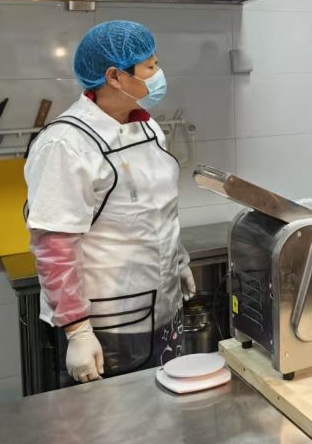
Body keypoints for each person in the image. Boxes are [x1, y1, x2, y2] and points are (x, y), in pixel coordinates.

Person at [24, 21, 194, 384]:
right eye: (150, 66)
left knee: (166, 411)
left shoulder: (147, 126)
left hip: (164, 307)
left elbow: (156, 210)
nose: (159, 74)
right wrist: (77, 331)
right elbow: (55, 245)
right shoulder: (66, 144)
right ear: (115, 76)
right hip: (110, 326)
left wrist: (178, 261)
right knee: (118, 417)